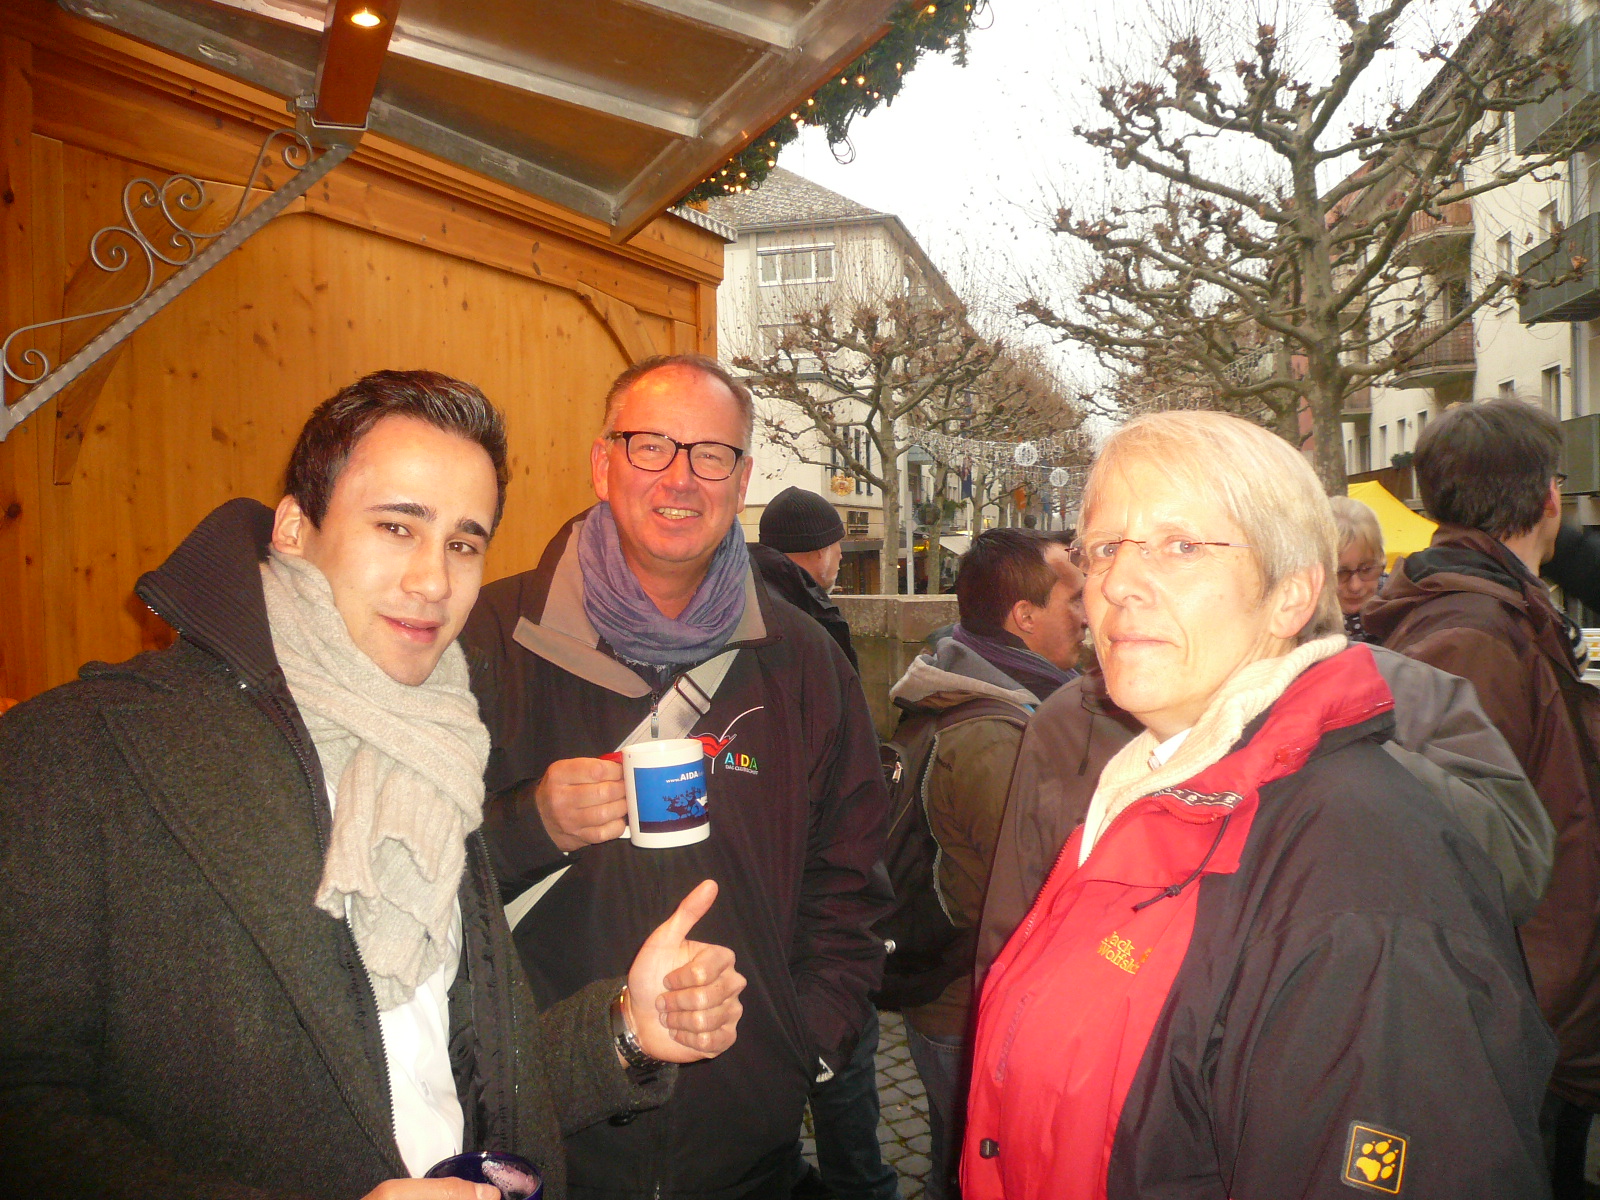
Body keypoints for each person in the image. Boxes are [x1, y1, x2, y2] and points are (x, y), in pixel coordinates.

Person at [0, 370, 748, 1200]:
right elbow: (24, 1121)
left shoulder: (436, 750)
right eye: (398, 526)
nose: (434, 581)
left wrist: (628, 1030)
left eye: (463, 543)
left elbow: (443, 1074)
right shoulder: (77, 756)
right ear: (294, 528)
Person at [963, 410, 1554, 1200]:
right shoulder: (1150, 787)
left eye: (1181, 545)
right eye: (1104, 548)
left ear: (1290, 594)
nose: (1117, 584)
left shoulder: (1358, 866)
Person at [461, 354, 891, 1200]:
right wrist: (527, 825)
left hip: (748, 1152)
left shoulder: (802, 660)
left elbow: (851, 882)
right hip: (547, 1145)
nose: (681, 478)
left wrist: (798, 1047)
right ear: (603, 464)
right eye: (652, 445)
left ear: (743, 481)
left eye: (711, 454)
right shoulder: (487, 639)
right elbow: (406, 885)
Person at [1364, 398, 1600, 1198]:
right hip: (1520, 1022)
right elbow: (1462, 855)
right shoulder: (1475, 634)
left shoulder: (1492, 613)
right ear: (1550, 498)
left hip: (1532, 1011)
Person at [884, 527, 1084, 1200]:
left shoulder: (981, 691)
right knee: (974, 1171)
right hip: (968, 1011)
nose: (1087, 615)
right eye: (1072, 599)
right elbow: (1030, 896)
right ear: (1024, 616)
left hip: (958, 1000)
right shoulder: (997, 737)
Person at [750, 485, 892, 1200]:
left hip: (754, 904)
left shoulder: (741, 603)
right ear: (826, 551)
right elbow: (843, 790)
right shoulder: (808, 624)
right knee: (847, 1094)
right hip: (811, 898)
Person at [751, 486, 857, 669]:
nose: (840, 555)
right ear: (821, 550)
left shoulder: (748, 595)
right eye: (837, 543)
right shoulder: (798, 623)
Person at [1329, 494, 1385, 641]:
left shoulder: (1403, 614)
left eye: (1366, 569)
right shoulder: (1295, 629)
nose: (1355, 586)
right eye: (1341, 573)